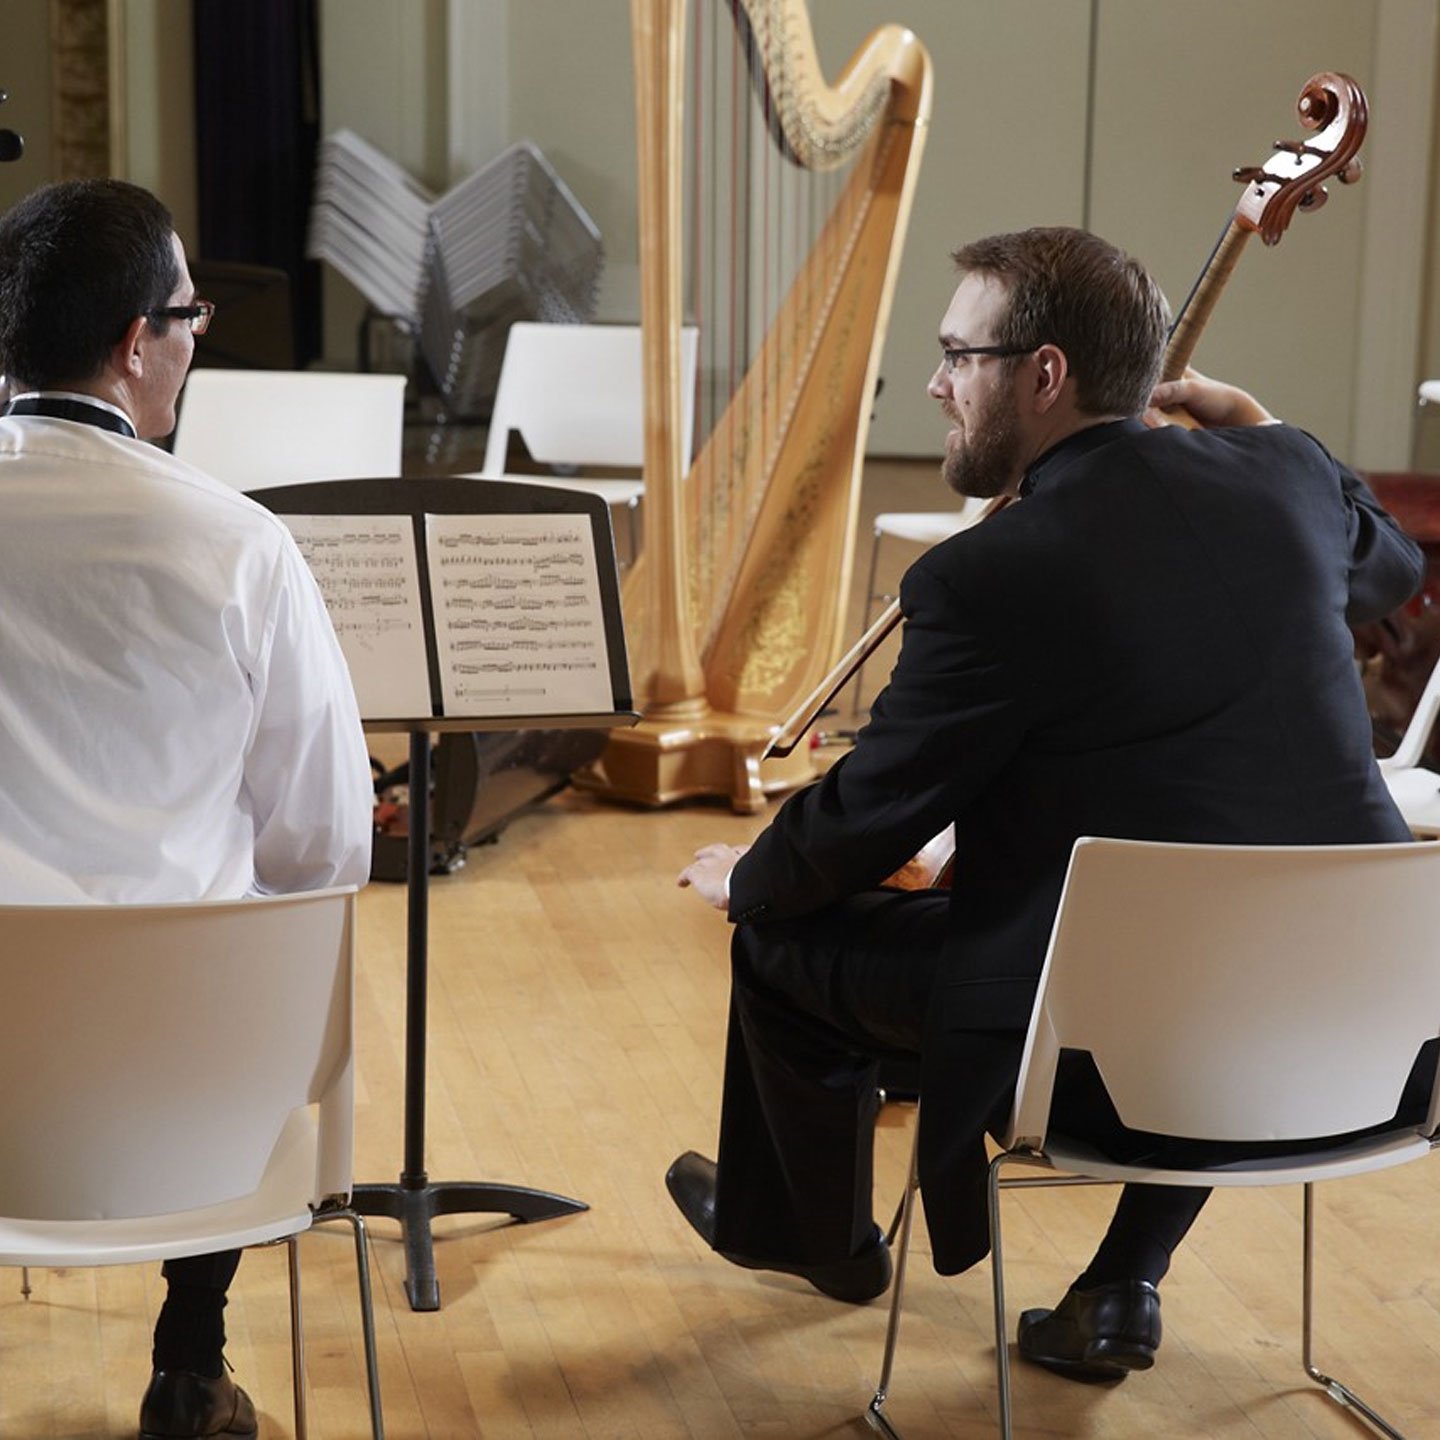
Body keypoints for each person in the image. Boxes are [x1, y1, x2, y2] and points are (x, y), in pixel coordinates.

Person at [668, 226, 1423, 1383]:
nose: (935, 382)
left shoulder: (989, 573)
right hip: (1349, 1041)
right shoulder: (1289, 480)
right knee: (1224, 956)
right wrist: (1262, 425)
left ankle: (821, 1244)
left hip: (1105, 1068)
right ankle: (1122, 1284)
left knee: (778, 939)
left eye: (956, 354)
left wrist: (750, 875)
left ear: (1044, 374)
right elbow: (1389, 571)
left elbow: (876, 811)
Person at [0, 179, 372, 1438]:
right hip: (190, 1112)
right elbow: (327, 845)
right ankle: (189, 1363)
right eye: (189, 317)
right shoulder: (241, 547)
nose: (194, 342)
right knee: (241, 939)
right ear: (132, 344)